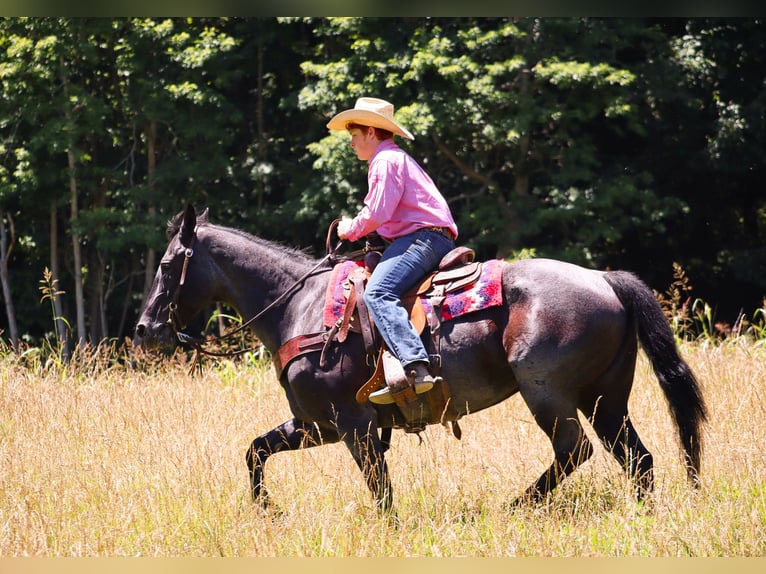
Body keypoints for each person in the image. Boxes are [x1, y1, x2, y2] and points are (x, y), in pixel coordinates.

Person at [327, 97, 458, 405]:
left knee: (377, 293)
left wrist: (350, 228)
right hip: (427, 237)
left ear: (371, 132)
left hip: (422, 239)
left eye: (354, 136)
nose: (350, 144)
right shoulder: (393, 159)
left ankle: (415, 367)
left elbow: (377, 213)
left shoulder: (385, 161)